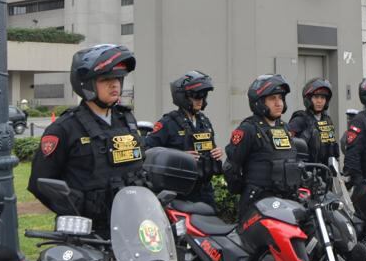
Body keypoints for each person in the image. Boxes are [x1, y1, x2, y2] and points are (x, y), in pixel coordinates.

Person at [29, 44, 143, 234]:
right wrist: (75, 211)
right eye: (106, 79)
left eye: (117, 78)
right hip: (87, 233)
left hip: (130, 225)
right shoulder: (63, 129)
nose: (114, 84)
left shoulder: (127, 121)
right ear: (86, 84)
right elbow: (40, 183)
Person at [222, 75, 297, 220]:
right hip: (257, 203)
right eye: (272, 98)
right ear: (259, 102)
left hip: (284, 201)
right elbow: (231, 167)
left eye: (280, 98)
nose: (278, 103)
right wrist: (246, 190)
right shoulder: (248, 129)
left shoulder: (285, 128)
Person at [144, 70, 223, 206]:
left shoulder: (204, 122)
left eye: (203, 96)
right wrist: (179, 157)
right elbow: (148, 151)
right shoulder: (168, 123)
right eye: (196, 96)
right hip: (179, 191)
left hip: (205, 190)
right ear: (183, 97)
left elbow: (209, 146)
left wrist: (216, 152)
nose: (200, 100)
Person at [288, 78, 341, 167]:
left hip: (325, 173)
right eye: (316, 97)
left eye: (323, 97)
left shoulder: (327, 121)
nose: (319, 101)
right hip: (305, 173)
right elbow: (287, 148)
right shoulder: (299, 120)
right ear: (308, 98)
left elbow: (333, 150)